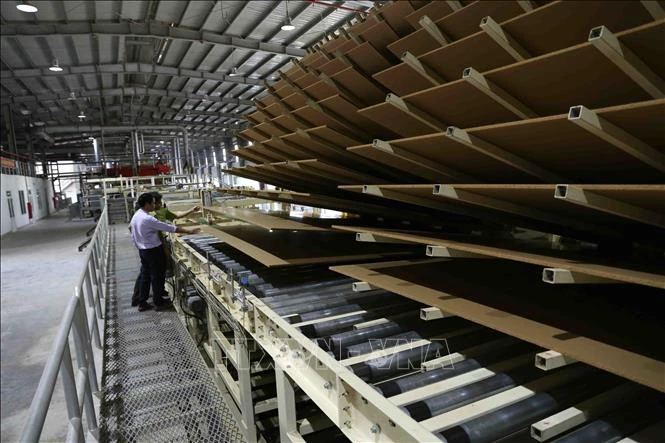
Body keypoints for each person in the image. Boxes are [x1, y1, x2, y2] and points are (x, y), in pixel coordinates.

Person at [130, 192, 200, 312]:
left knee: (146, 276)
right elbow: (170, 228)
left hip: (143, 250)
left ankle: (142, 302)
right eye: (153, 203)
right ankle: (159, 302)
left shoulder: (137, 215)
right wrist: (189, 231)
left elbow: (133, 234)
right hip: (153, 250)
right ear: (147, 204)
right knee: (157, 276)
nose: (155, 205)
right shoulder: (148, 218)